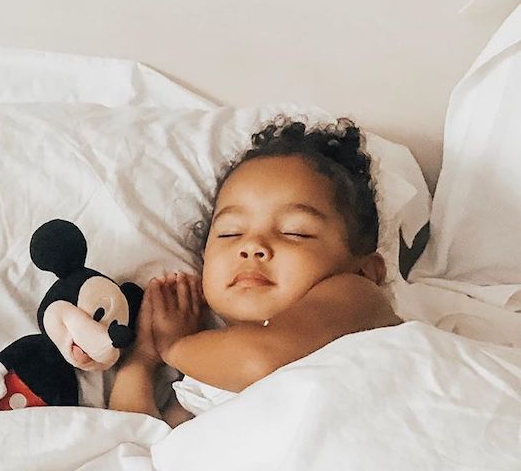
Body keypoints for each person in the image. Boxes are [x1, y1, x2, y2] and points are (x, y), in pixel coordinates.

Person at [109, 117, 401, 426]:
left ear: (366, 270)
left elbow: (261, 360)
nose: (252, 246)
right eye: (231, 233)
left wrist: (173, 346)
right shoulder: (202, 376)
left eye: (295, 232)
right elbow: (137, 441)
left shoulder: (356, 296)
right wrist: (143, 358)